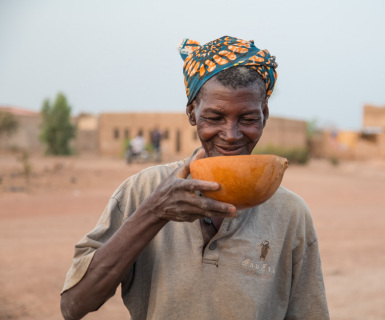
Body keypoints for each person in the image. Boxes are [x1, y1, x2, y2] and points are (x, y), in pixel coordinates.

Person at [60, 36, 329, 320]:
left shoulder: (289, 212)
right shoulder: (143, 191)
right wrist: (153, 212)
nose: (231, 134)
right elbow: (74, 305)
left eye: (248, 119)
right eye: (214, 118)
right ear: (192, 113)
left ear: (264, 115)